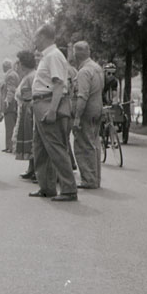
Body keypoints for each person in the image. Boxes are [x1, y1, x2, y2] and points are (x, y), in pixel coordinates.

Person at [29, 24, 77, 202]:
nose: (34, 41)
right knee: (40, 148)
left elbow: (58, 85)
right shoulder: (47, 56)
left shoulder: (53, 56)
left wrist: (52, 110)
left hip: (48, 103)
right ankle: (47, 187)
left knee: (56, 148)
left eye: (36, 37)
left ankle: (69, 189)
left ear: (43, 37)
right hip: (41, 103)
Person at [71, 42, 104, 189]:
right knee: (94, 143)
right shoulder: (97, 68)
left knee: (83, 145)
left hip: (87, 112)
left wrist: (77, 117)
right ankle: (95, 178)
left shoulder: (84, 72)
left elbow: (82, 96)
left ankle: (88, 179)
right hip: (97, 108)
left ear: (76, 54)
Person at [13, 50, 36, 180]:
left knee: (32, 139)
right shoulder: (27, 76)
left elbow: (31, 94)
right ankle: (31, 167)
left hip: (30, 111)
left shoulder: (32, 76)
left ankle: (36, 169)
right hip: (25, 110)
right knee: (29, 139)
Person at [1, 59, 20, 152]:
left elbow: (10, 89)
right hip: (14, 103)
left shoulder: (10, 75)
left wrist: (7, 102)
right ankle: (11, 146)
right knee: (12, 125)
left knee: (9, 126)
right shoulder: (14, 74)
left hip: (11, 104)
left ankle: (10, 146)